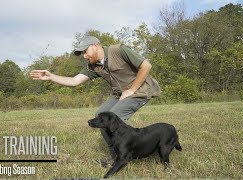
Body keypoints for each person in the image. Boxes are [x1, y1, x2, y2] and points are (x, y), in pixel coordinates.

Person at [30, 36, 161, 159]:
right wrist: (51, 77)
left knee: (113, 117)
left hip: (139, 91)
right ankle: (115, 156)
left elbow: (146, 65)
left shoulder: (119, 50)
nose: (85, 56)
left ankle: (129, 151)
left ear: (96, 45)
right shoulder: (93, 65)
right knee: (100, 116)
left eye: (86, 51)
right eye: (83, 54)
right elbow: (74, 81)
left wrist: (132, 89)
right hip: (119, 93)